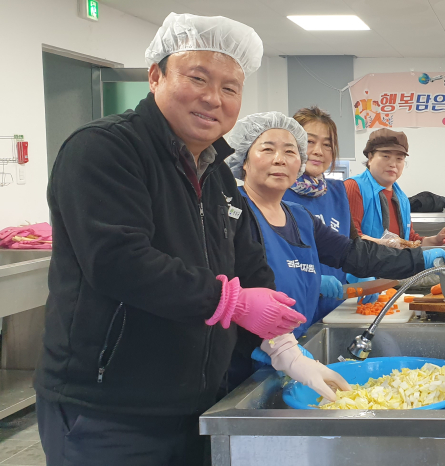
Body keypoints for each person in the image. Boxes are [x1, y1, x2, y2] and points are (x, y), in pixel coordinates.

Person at [36, 13, 306, 465]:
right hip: (109, 411)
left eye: (230, 88)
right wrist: (233, 302)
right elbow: (119, 262)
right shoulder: (104, 149)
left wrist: (285, 347)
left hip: (198, 402)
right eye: (197, 78)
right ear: (155, 76)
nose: (213, 98)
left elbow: (248, 264)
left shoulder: (218, 174)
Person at [222, 112, 445, 390]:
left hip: (296, 347)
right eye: (267, 149)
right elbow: (221, 294)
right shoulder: (230, 215)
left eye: (290, 151)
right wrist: (266, 347)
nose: (280, 159)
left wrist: (418, 258)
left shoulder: (299, 216)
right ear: (244, 160)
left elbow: (353, 253)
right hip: (247, 363)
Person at [284, 106, 379, 316]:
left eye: (327, 144)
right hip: (292, 311)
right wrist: (311, 279)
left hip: (335, 310)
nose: (319, 151)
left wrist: (359, 270)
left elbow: (351, 243)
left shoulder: (337, 191)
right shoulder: (276, 193)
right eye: (309, 141)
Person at [345, 128, 445, 245]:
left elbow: (409, 239)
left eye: (399, 159)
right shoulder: (354, 187)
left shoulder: (401, 198)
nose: (393, 164)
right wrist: (387, 245)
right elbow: (349, 236)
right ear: (370, 158)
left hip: (395, 257)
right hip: (365, 258)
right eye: (386, 156)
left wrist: (436, 239)